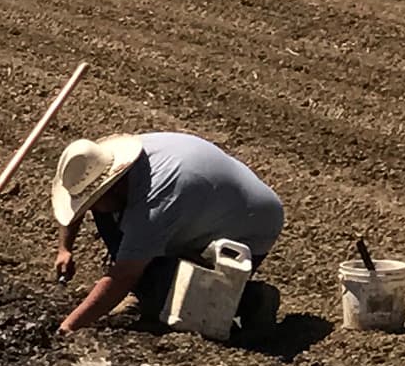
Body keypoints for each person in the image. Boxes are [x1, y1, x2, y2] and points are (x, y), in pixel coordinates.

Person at [50, 130, 283, 337]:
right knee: (108, 215)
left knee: (183, 298)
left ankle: (252, 299)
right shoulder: (120, 165)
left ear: (112, 184)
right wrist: (65, 248)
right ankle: (150, 290)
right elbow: (82, 202)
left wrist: (68, 328)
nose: (88, 208)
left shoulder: (154, 204)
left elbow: (123, 275)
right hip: (204, 207)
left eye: (92, 200)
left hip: (252, 225)